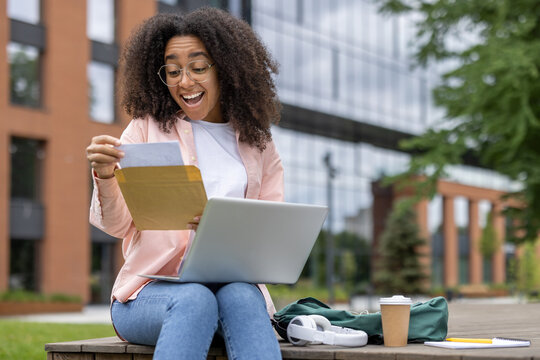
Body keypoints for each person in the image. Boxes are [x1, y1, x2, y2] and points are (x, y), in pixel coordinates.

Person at [86, 8, 283, 360]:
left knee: (241, 294)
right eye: (173, 71)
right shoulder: (145, 130)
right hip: (149, 296)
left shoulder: (259, 144)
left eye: (198, 66)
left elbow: (269, 240)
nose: (185, 82)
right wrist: (104, 177)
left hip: (232, 293)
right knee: (195, 297)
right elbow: (118, 226)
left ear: (226, 68)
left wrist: (222, 227)